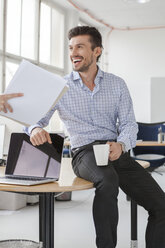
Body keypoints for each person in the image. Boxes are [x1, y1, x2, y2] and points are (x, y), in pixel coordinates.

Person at [24, 26, 165, 248]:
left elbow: (129, 123)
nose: (73, 53)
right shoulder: (60, 86)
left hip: (115, 150)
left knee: (161, 206)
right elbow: (34, 119)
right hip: (84, 153)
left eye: (80, 47)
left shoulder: (116, 84)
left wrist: (121, 144)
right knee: (108, 181)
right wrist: (34, 129)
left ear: (97, 51)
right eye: (70, 48)